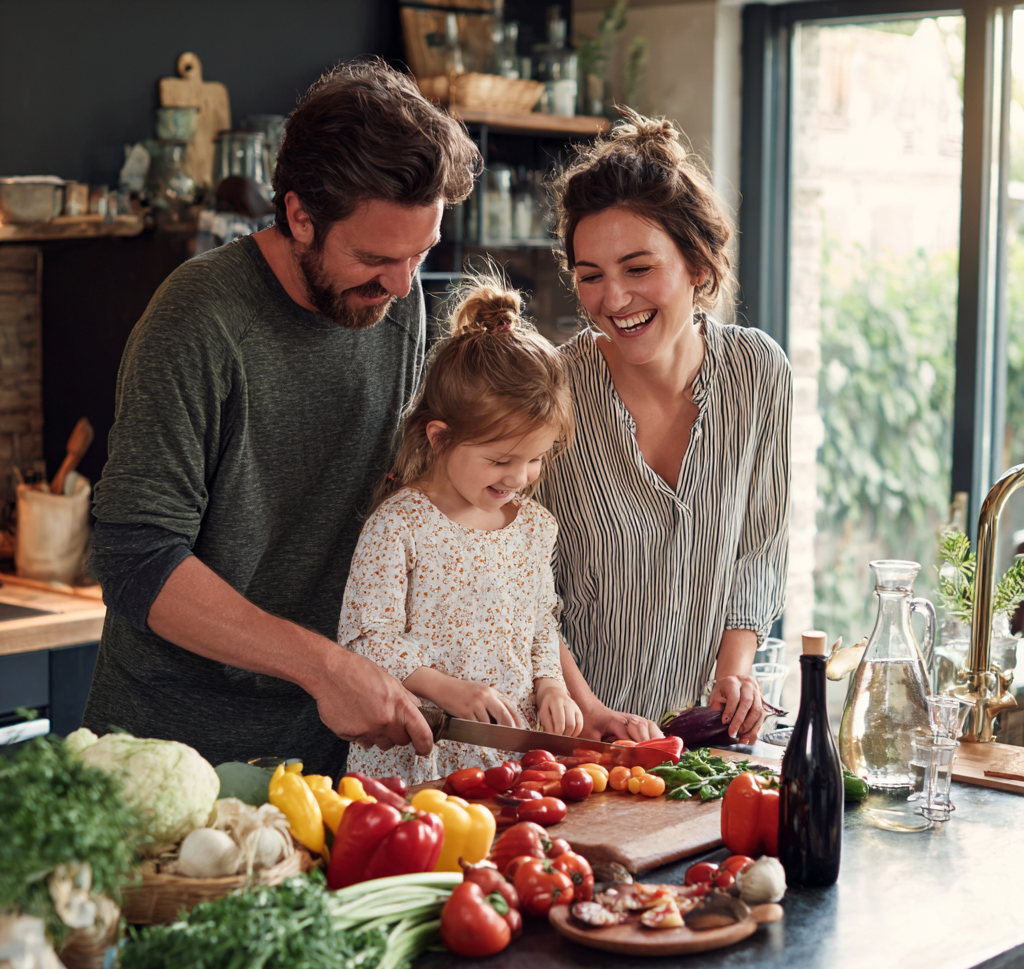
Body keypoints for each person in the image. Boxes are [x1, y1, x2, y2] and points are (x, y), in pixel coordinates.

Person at [82, 60, 482, 776]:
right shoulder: (199, 319)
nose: (401, 283)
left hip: (326, 755)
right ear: (300, 215)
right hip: (172, 756)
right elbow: (136, 557)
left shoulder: (399, 302)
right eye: (375, 257)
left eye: (421, 254)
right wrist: (324, 668)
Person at [538, 112, 792, 745]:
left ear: (699, 267)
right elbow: (519, 581)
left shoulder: (759, 372)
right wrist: (588, 711)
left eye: (638, 268)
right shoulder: (550, 392)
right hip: (576, 740)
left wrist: (735, 676)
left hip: (701, 743)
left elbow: (760, 545)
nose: (614, 299)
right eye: (590, 275)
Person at [338, 278, 582, 784]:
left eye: (536, 458)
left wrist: (551, 685)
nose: (519, 478)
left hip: (507, 758)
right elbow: (367, 638)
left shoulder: (536, 527)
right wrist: (449, 690)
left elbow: (540, 624)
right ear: (440, 437)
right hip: (419, 755)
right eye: (500, 460)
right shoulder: (400, 523)